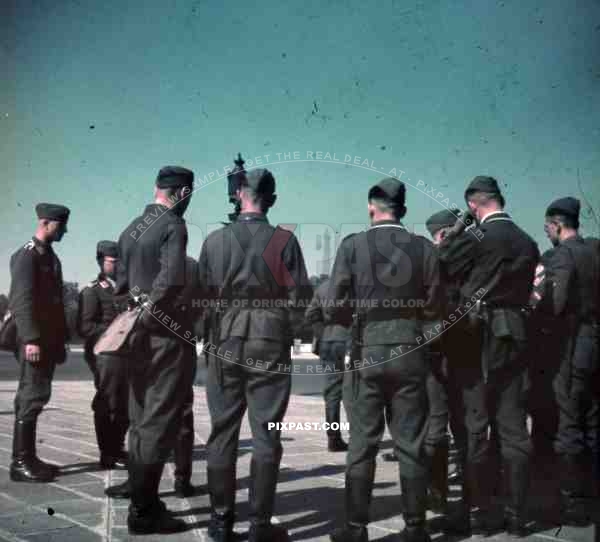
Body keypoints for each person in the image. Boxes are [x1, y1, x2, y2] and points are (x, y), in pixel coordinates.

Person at [198, 167, 311, 542]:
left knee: (222, 433)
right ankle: (260, 526)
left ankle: (219, 521)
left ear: (237, 196)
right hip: (269, 337)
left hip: (226, 338)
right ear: (272, 200)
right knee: (266, 433)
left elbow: (203, 296)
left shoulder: (215, 241)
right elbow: (300, 299)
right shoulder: (284, 240)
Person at [326, 178, 441, 542]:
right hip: (410, 347)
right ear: (403, 210)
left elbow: (333, 303)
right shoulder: (424, 248)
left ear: (371, 206)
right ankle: (415, 528)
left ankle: (356, 528)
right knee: (410, 441)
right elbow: (438, 303)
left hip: (368, 349)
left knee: (362, 442)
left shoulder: (353, 246)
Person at [440, 176, 539, 536]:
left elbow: (442, 264)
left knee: (474, 428)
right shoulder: (527, 242)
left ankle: (478, 513)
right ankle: (516, 515)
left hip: (478, 335)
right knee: (513, 428)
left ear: (472, 204)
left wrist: (456, 231)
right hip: (516, 333)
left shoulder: (477, 238)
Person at [104, 166, 196, 534]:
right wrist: (149, 316)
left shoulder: (130, 229)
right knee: (159, 421)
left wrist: (132, 319)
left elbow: (120, 287)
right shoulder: (173, 225)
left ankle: (142, 494)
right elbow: (171, 280)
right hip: (165, 339)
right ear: (182, 192)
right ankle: (144, 510)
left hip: (136, 339)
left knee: (140, 416)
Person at [537, 197, 600, 525]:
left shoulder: (562, 256)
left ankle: (573, 502)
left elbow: (556, 306)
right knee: (592, 420)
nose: (547, 232)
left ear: (557, 225)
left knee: (569, 421)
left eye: (547, 227)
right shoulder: (594, 252)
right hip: (594, 342)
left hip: (572, 345)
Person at [8, 203, 70, 483]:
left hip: (47, 340)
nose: (65, 230)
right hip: (35, 340)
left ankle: (29, 457)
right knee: (31, 395)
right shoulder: (27, 256)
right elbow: (21, 301)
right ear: (46, 223)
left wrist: (60, 339)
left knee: (37, 395)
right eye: (61, 225)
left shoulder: (48, 256)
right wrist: (31, 339)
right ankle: (20, 461)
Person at [77, 240, 129, 469]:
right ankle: (107, 453)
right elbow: (85, 327)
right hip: (105, 354)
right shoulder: (92, 291)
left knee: (125, 404)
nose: (116, 266)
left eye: (119, 262)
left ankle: (117, 448)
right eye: (112, 262)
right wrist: (116, 330)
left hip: (125, 354)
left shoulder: (126, 288)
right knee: (108, 403)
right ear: (100, 261)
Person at [305, 274, 351, 452]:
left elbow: (310, 314)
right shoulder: (355, 285)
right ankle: (357, 436)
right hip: (349, 340)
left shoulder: (323, 287)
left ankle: (333, 437)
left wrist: (322, 334)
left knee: (332, 393)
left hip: (328, 341)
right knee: (353, 392)